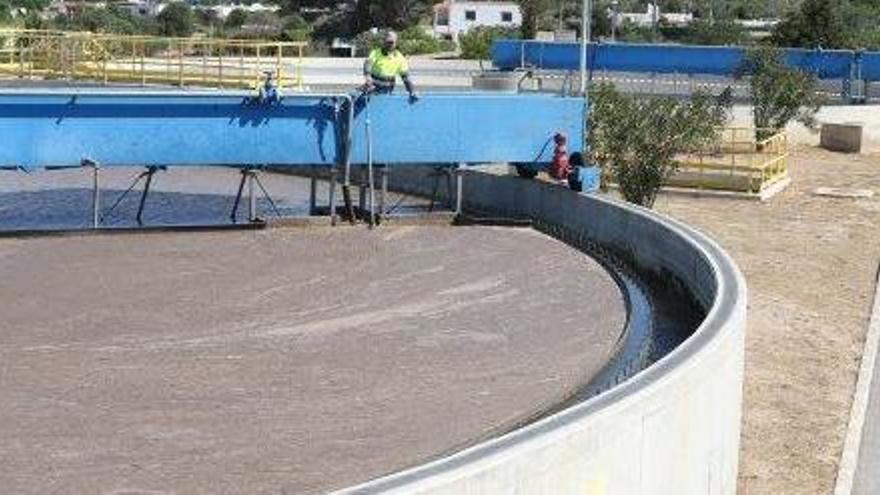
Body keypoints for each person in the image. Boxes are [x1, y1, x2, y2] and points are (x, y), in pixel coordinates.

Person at [363, 31, 419, 101]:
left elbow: (406, 78)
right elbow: (368, 64)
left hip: (387, 92)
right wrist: (368, 77)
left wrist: (412, 91)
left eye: (391, 42)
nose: (389, 45)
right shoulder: (375, 53)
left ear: (396, 43)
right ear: (383, 41)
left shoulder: (400, 57)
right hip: (372, 91)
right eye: (387, 42)